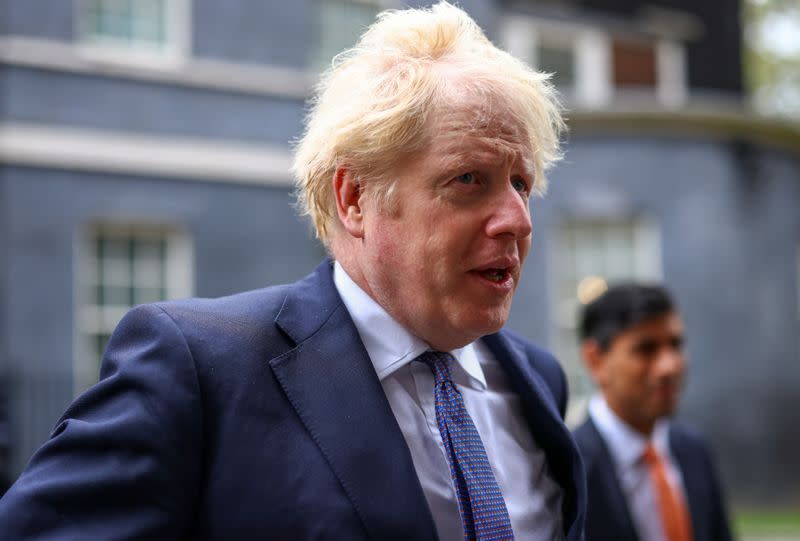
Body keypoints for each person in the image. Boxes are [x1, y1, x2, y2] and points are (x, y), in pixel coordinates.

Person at [0, 3, 586, 539]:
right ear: (355, 197)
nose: (516, 220)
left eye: (522, 184)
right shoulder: (197, 371)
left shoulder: (536, 378)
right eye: (468, 180)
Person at [573, 283, 732, 541]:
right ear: (595, 360)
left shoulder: (694, 450)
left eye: (676, 344)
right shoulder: (570, 468)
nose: (669, 366)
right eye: (646, 349)